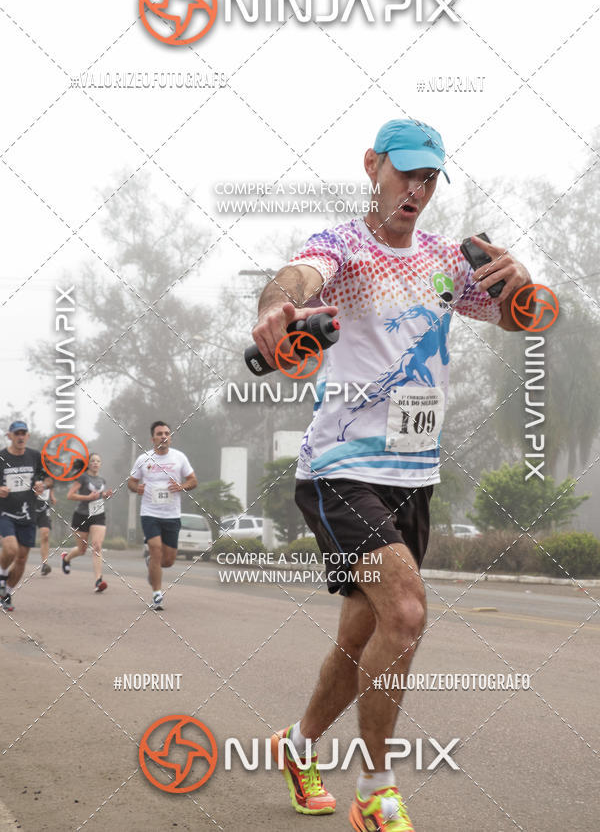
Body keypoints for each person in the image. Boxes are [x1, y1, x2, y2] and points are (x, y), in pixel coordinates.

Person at [252, 119, 533, 831]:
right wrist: (274, 309)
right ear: (373, 166)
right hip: (340, 467)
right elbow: (296, 278)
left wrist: (520, 286)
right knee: (405, 613)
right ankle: (376, 789)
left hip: (413, 473)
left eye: (430, 177)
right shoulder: (343, 247)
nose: (417, 188)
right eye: (406, 172)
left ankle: (298, 744)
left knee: (363, 638)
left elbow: (510, 319)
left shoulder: (446, 260)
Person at [127, 421, 197, 611]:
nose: (163, 436)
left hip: (172, 515)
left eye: (167, 433)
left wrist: (182, 486)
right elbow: (131, 482)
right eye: (159, 434)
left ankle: (151, 563)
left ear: (170, 437)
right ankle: (157, 595)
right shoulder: (143, 459)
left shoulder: (179, 458)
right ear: (153, 439)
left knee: (168, 560)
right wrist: (138, 488)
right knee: (156, 549)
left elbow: (193, 480)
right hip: (150, 513)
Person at [0, 421, 46, 611]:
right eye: (16, 433)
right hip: (5, 512)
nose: (20, 436)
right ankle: (2, 576)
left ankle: (7, 593)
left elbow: (45, 477)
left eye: (23, 433)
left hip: (28, 513)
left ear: (27, 436)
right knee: (10, 549)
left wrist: (41, 485)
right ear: (9, 436)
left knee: (21, 558)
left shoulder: (35, 456)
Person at [61, 453, 114, 592]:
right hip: (81, 516)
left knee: (96, 546)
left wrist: (105, 495)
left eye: (98, 461)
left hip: (98, 515)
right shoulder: (83, 477)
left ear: (100, 464)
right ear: (88, 464)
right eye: (93, 461)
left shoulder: (102, 479)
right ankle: (66, 558)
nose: (96, 463)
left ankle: (98, 580)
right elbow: (70, 495)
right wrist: (87, 497)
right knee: (82, 550)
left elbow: (98, 495)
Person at [36, 477, 56, 575]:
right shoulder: (32, 466)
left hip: (44, 507)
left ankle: (45, 564)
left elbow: (50, 484)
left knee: (45, 535)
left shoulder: (48, 471)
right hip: (30, 505)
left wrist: (52, 496)